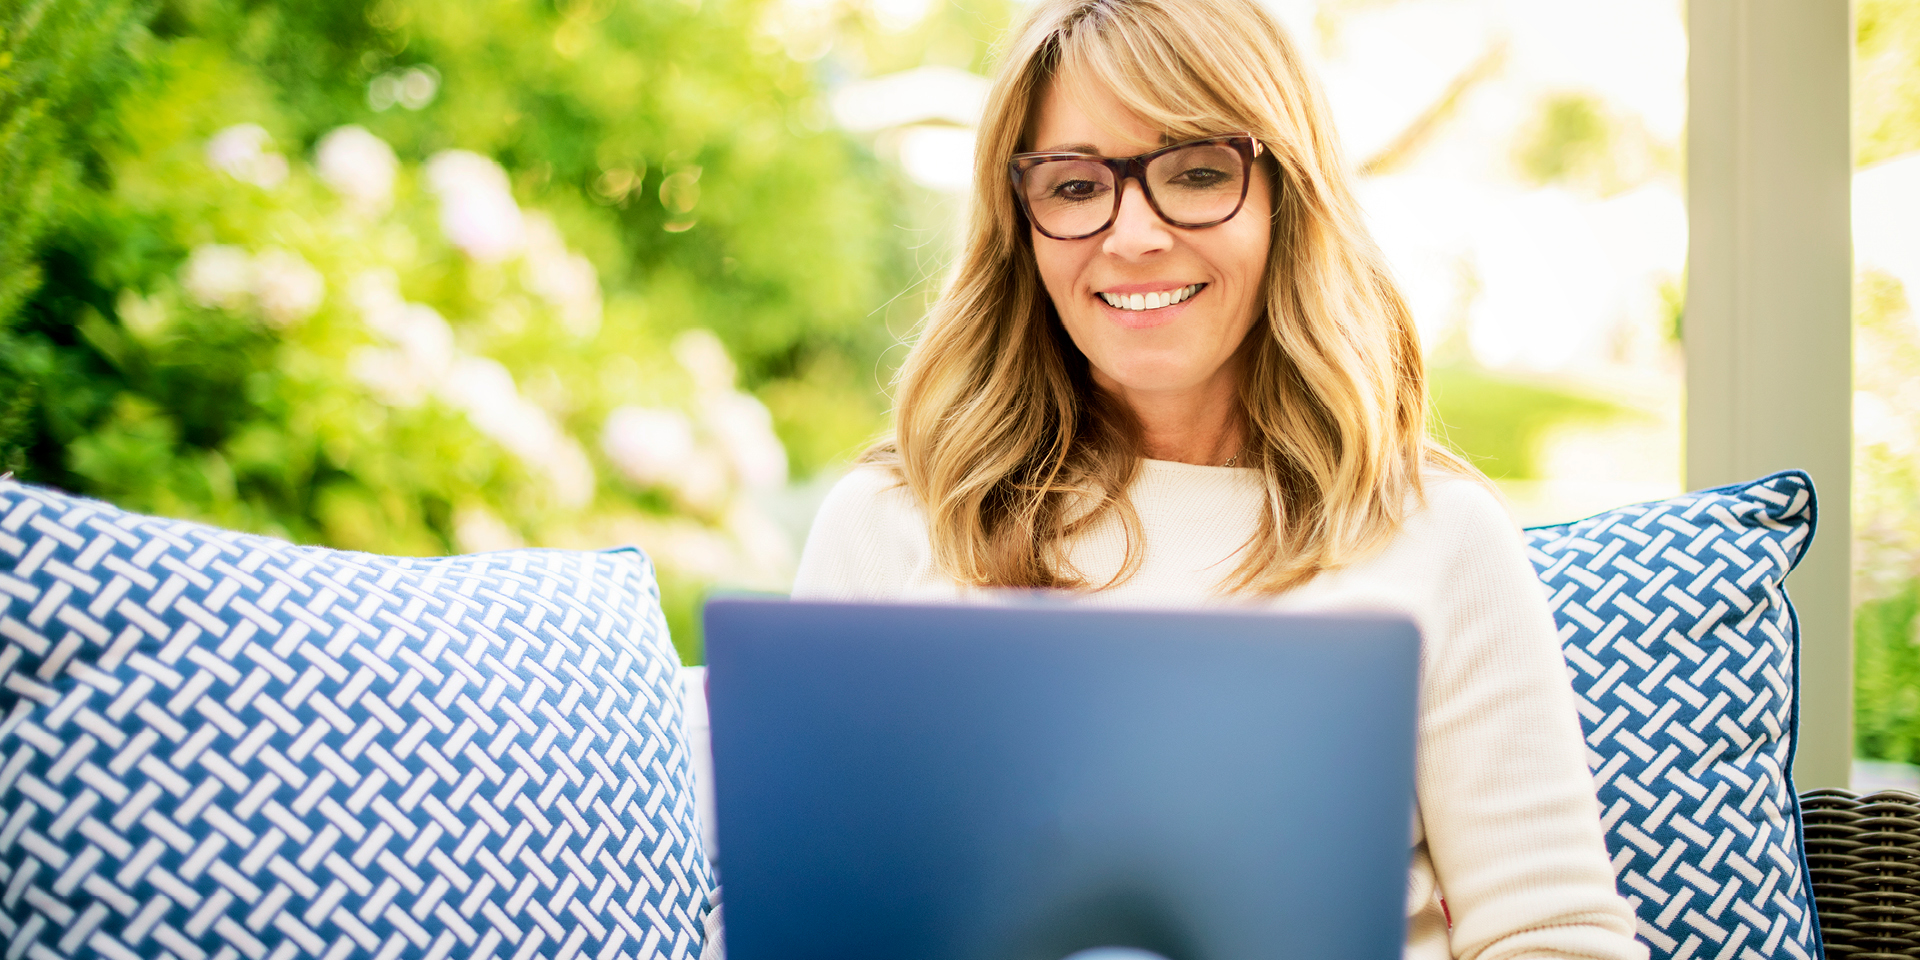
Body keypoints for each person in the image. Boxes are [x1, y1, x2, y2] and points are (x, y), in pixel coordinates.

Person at [790, 0, 1646, 955]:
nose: (1133, 235)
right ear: (1019, 223)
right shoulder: (889, 526)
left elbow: (1558, 934)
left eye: (1197, 173)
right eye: (1074, 185)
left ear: (1288, 198)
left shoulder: (1438, 536)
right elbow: (806, 920)